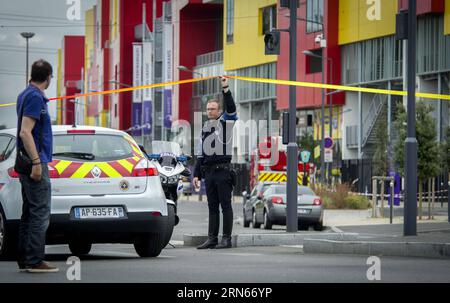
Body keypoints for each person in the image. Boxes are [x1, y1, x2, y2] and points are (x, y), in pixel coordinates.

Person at [16, 59, 58, 273]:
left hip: (25, 160)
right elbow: (25, 131)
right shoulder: (34, 97)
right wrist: (36, 162)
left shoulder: (25, 93)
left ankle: (25, 258)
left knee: (29, 213)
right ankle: (34, 260)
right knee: (40, 212)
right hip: (34, 160)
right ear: (48, 76)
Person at [193, 76, 237, 249]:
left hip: (223, 172)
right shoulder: (204, 129)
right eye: (208, 109)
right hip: (209, 172)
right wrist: (196, 173)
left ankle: (226, 239)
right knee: (212, 207)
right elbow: (200, 153)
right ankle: (212, 238)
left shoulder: (226, 123)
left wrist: (225, 88)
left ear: (219, 111)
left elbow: (231, 108)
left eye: (213, 109)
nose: (210, 111)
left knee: (225, 206)